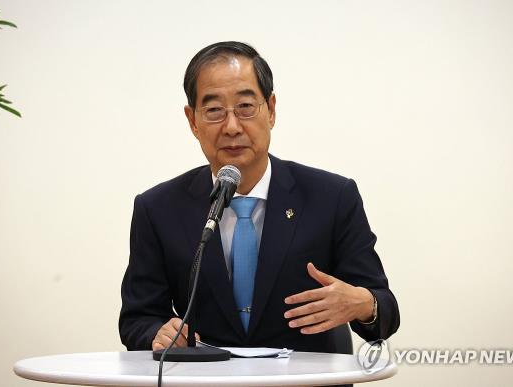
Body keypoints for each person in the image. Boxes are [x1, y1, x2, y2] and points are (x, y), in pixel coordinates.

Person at [119, 41, 399, 353]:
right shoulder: (158, 209)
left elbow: (385, 312)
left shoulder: (332, 197)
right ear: (192, 121)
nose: (232, 126)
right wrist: (157, 332)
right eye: (213, 110)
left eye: (245, 107)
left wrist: (364, 304)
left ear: (272, 110)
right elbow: (137, 318)